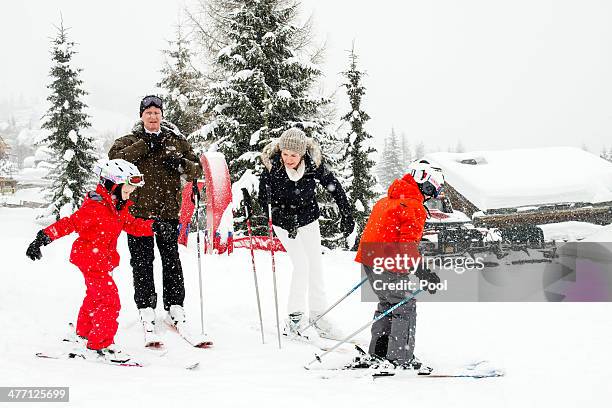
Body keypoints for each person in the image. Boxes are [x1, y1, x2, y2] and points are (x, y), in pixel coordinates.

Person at [25, 159, 175, 363]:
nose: (130, 195)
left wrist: (154, 227)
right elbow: (69, 224)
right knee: (108, 300)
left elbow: (132, 225)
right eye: (127, 190)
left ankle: (84, 334)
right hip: (90, 259)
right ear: (114, 185)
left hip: (101, 260)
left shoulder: (116, 208)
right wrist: (42, 238)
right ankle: (100, 345)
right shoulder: (95, 208)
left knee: (95, 297)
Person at [108, 95, 204, 347]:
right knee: (142, 263)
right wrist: (144, 146)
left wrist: (180, 163)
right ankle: (146, 307)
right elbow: (114, 162)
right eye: (148, 112)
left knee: (171, 260)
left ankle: (175, 306)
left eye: (156, 112)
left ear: (162, 115)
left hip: (167, 213)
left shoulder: (175, 141)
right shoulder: (129, 141)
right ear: (141, 115)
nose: (152, 116)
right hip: (137, 214)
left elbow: (197, 169)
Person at [259, 127, 355, 340]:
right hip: (284, 223)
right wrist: (279, 215)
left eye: (293, 155)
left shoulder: (313, 165)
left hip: (308, 219)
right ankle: (294, 319)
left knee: (315, 266)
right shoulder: (272, 166)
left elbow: (334, 187)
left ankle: (319, 316)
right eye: (285, 154)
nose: (288, 159)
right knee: (301, 264)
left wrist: (346, 212)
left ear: (302, 154)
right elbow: (262, 199)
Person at [354, 159, 444, 369]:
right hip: (387, 262)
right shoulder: (413, 207)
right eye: (432, 190)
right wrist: (424, 274)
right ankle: (400, 358)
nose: (431, 196)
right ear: (425, 183)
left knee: (388, 303)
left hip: (371, 260)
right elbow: (407, 246)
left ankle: (380, 352)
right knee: (404, 305)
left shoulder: (386, 201)